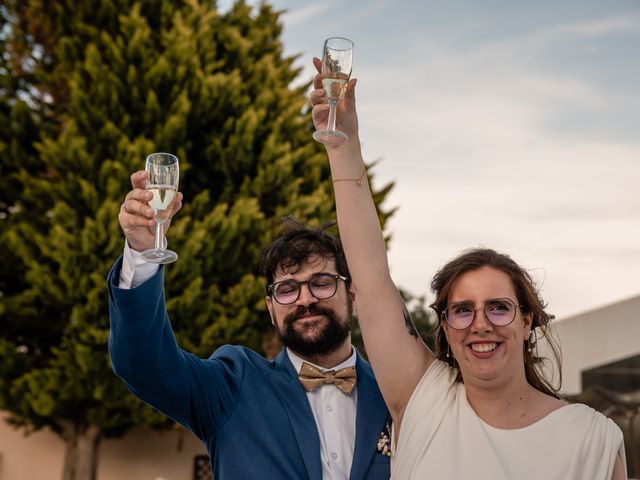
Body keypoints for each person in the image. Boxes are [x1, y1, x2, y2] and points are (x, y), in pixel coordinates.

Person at [309, 57, 628, 480]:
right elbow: (370, 276)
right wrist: (344, 147)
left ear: (527, 320)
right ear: (444, 324)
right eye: (462, 310)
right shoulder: (423, 398)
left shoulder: (591, 439)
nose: (481, 324)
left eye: (498, 307)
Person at [107, 173, 391, 480]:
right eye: (287, 289)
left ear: (351, 294)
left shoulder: (396, 393)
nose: (305, 299)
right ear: (271, 308)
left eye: (321, 283)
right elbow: (144, 365)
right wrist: (142, 253)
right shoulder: (233, 386)